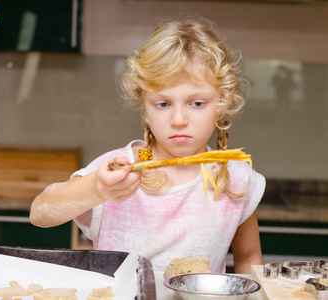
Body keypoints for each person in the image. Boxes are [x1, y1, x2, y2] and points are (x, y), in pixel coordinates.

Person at [30, 15, 265, 274]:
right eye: (163, 104)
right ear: (143, 105)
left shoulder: (237, 180)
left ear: (223, 101)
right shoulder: (118, 171)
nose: (178, 120)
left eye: (197, 103)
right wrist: (96, 187)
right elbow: (40, 214)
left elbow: (248, 258)